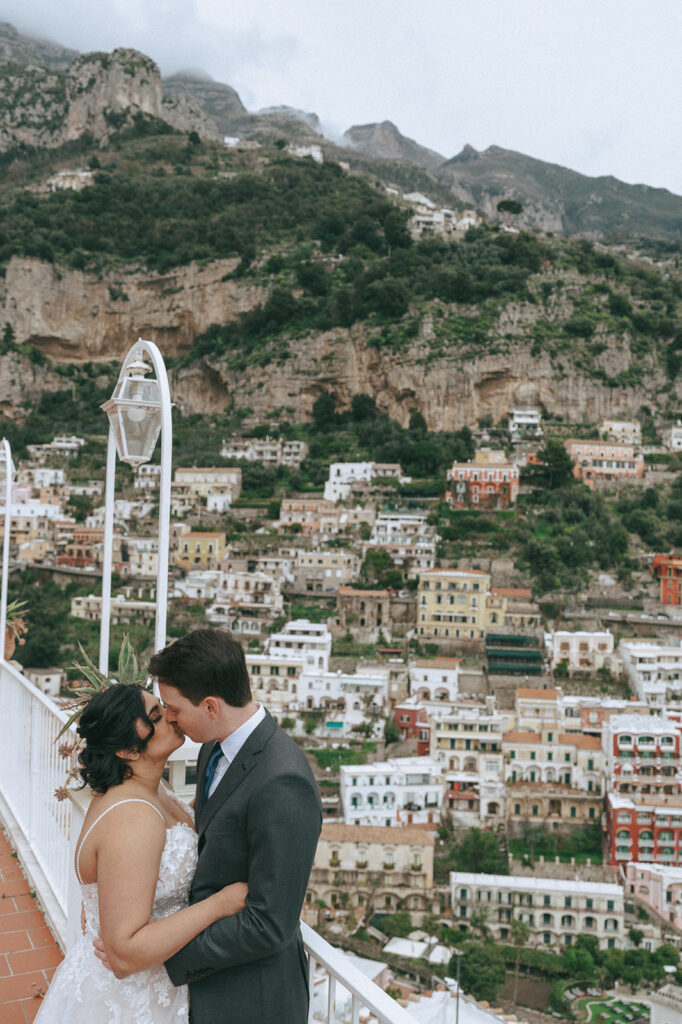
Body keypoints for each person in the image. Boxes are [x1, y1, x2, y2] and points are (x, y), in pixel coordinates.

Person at [36, 682, 248, 1023]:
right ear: (127, 751)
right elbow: (124, 955)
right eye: (156, 716)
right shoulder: (133, 817)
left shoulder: (152, 788)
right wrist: (221, 904)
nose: (171, 718)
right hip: (127, 1000)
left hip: (159, 982)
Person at [148, 627, 323, 1024]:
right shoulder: (212, 744)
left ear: (210, 706)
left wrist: (162, 953)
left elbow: (269, 924)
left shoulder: (283, 781)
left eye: (174, 708)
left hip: (251, 996)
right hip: (210, 983)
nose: (170, 718)